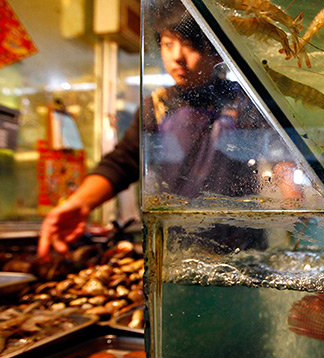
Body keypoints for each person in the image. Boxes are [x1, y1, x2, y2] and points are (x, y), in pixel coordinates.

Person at [38, 1, 272, 258]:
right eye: (168, 44)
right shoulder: (154, 106)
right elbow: (123, 161)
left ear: (216, 53)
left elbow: (279, 155)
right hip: (173, 253)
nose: (177, 57)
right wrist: (79, 203)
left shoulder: (245, 101)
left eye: (190, 45)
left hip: (242, 253)